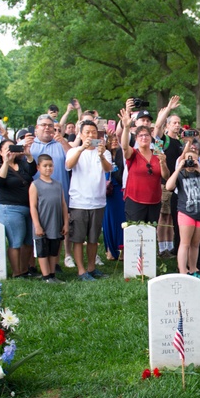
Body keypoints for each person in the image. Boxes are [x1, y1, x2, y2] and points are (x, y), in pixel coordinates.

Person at [65, 121, 113, 280]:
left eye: (94, 132)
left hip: (98, 201)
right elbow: (69, 165)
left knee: (93, 239)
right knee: (78, 238)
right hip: (79, 202)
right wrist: (82, 148)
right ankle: (81, 270)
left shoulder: (104, 152)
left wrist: (100, 154)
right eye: (87, 132)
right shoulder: (74, 151)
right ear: (81, 134)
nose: (91, 135)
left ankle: (92, 267)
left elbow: (108, 169)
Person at [166, 145, 200, 280]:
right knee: (185, 243)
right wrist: (178, 168)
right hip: (186, 212)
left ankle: (193, 269)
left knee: (196, 243)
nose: (191, 162)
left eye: (194, 159)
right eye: (188, 159)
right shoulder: (181, 175)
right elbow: (169, 186)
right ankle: (183, 271)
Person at [0, 138, 37, 279]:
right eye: (7, 149)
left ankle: (24, 269)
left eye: (13, 148)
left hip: (27, 207)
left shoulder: (22, 164)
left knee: (28, 241)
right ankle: (17, 272)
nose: (11, 151)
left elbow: (32, 171)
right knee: (16, 240)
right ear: (0, 151)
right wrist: (6, 162)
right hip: (8, 207)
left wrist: (28, 154)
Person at [119, 106, 168, 223]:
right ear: (136, 138)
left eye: (146, 135)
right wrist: (126, 127)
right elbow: (125, 147)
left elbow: (166, 176)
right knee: (136, 234)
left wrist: (163, 163)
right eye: (140, 135)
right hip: (135, 200)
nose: (144, 138)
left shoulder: (157, 151)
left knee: (150, 234)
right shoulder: (134, 153)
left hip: (154, 200)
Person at [30, 154, 69, 283]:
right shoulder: (35, 185)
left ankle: (52, 274)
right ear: (38, 167)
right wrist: (37, 225)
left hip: (55, 223)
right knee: (43, 250)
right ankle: (45, 276)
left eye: (50, 165)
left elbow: (63, 204)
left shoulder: (58, 185)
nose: (48, 168)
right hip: (42, 223)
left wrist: (65, 223)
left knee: (54, 250)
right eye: (45, 166)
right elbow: (33, 206)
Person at [102, 131, 125, 261]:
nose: (114, 141)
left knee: (121, 220)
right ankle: (110, 250)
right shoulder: (104, 155)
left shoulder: (124, 155)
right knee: (109, 219)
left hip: (120, 190)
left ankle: (121, 250)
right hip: (108, 190)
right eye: (111, 139)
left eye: (116, 138)